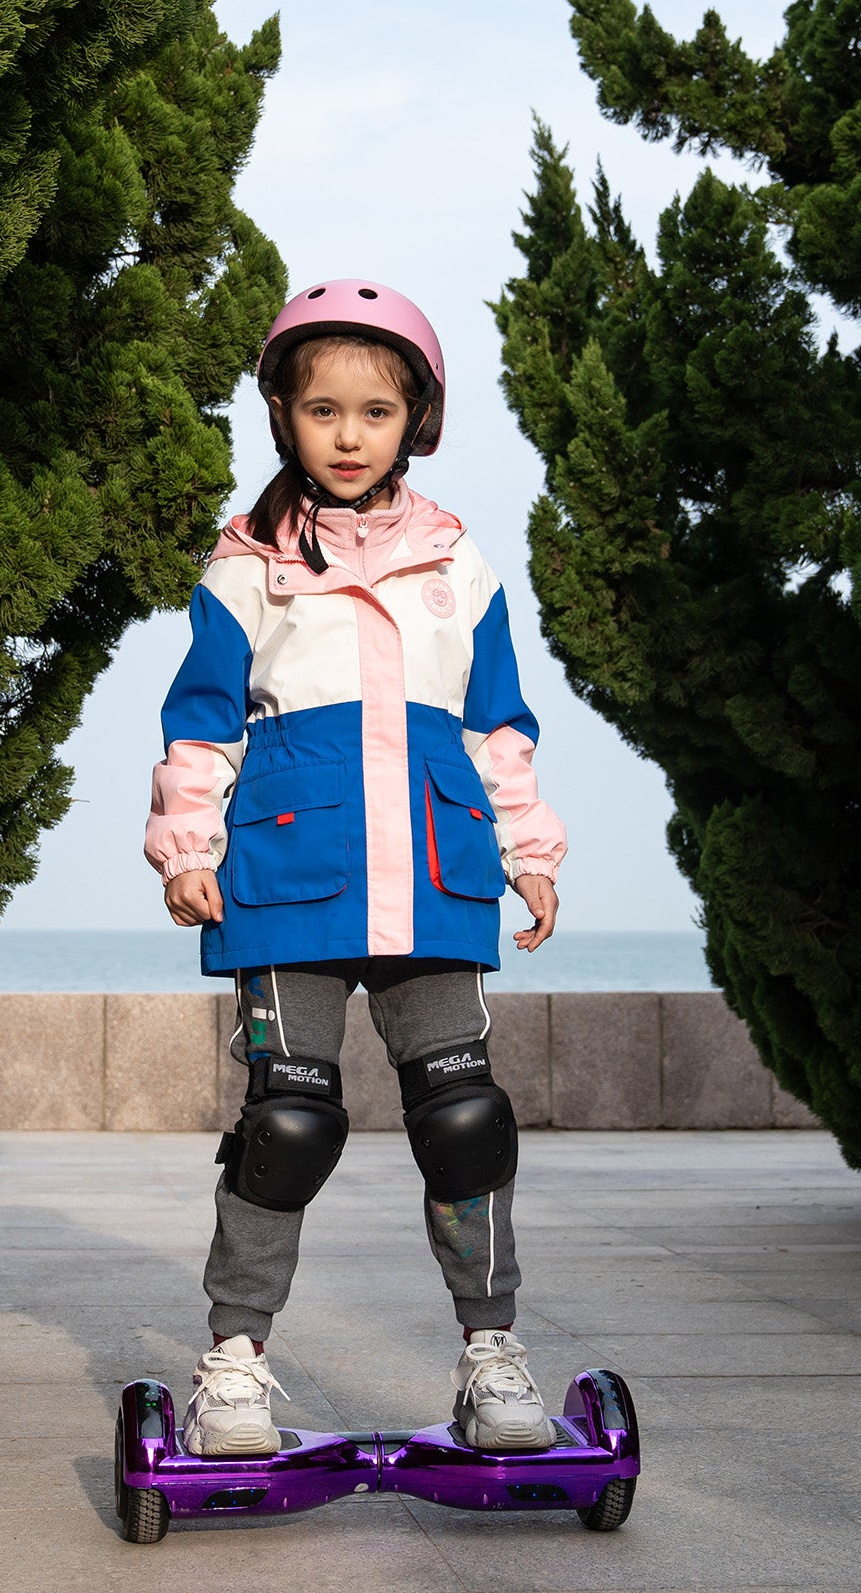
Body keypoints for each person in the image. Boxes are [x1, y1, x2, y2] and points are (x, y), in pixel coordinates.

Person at [146, 280, 568, 1457]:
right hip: (292, 883)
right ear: (283, 415)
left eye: (375, 411)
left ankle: (492, 1352)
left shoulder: (455, 561)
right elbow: (201, 725)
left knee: (466, 1119)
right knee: (287, 1122)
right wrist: (187, 844)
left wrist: (530, 849)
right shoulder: (246, 565)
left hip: (436, 876)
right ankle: (234, 1364)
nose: (347, 434)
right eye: (322, 408)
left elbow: (498, 725)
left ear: (414, 420)